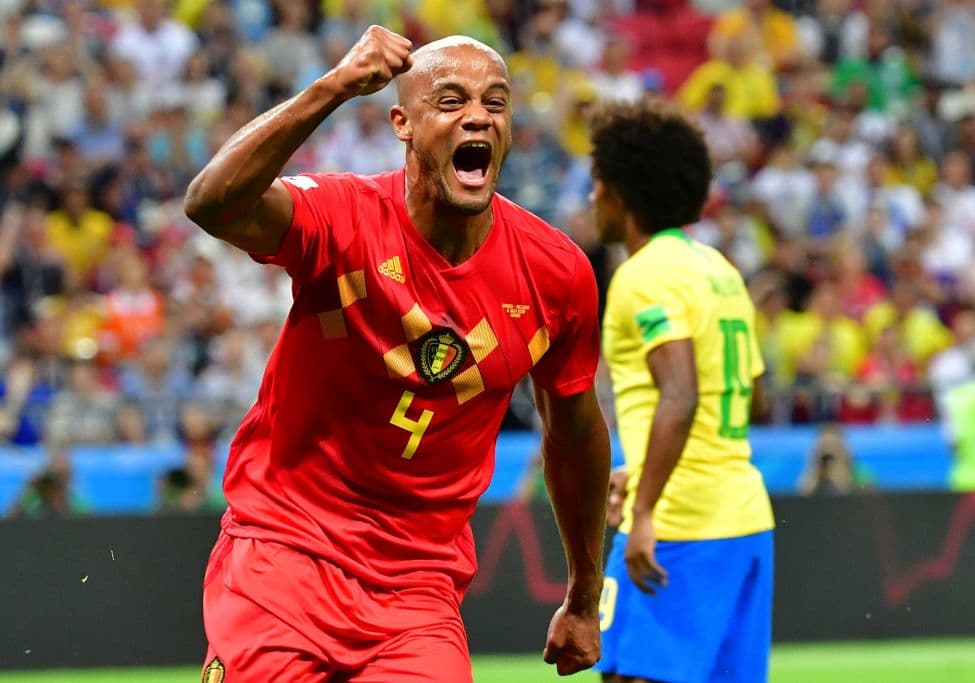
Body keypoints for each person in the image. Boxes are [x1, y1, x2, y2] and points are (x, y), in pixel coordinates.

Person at [184, 26, 610, 683]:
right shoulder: (341, 217)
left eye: (496, 103)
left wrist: (584, 595)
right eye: (451, 100)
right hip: (283, 555)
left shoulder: (556, 275)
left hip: (417, 591)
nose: (478, 116)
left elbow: (575, 437)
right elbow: (212, 202)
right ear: (402, 124)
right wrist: (333, 87)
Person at [589, 99, 775, 683]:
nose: (592, 197)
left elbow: (681, 394)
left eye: (597, 183)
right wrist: (645, 466)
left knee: (630, 677)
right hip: (745, 518)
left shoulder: (642, 275)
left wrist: (645, 509)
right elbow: (751, 397)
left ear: (620, 193)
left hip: (678, 524)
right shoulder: (719, 269)